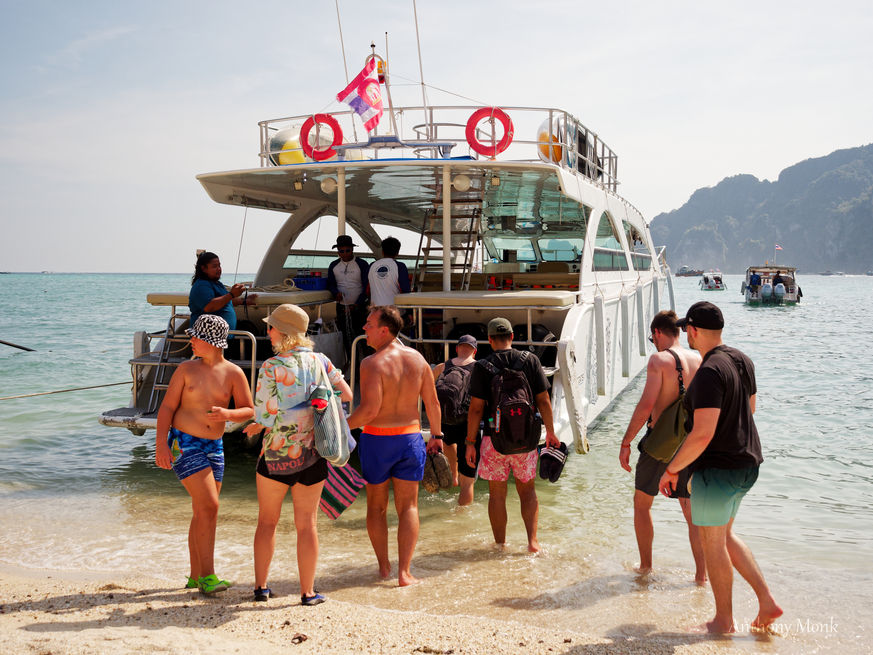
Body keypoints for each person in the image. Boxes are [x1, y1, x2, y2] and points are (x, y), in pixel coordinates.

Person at [659, 302, 782, 634]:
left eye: (687, 330)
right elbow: (750, 408)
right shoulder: (743, 360)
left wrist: (672, 470)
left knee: (712, 542)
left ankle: (724, 620)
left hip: (719, 469)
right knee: (724, 536)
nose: (686, 334)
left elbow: (702, 434)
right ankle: (767, 602)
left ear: (695, 331)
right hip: (748, 463)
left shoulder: (710, 372)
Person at [242, 304, 352, 605]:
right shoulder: (321, 361)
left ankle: (261, 589)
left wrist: (254, 426)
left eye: (271, 327)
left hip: (277, 455)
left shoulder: (271, 366)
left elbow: (265, 416)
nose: (268, 331)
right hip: (313, 455)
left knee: (267, 522)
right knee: (307, 525)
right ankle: (307, 593)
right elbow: (347, 395)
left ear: (284, 332)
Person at [155, 314, 254, 594]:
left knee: (202, 510)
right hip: (184, 442)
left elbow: (248, 409)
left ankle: (196, 576)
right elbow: (166, 409)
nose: (191, 341)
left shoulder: (234, 373)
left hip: (215, 445)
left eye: (195, 336)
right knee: (210, 506)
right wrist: (161, 444)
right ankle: (209, 577)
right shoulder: (186, 369)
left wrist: (228, 413)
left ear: (212, 341)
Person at [346, 305, 443, 586]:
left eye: (369, 324)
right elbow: (433, 404)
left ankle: (384, 567)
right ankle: (405, 572)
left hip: (378, 440)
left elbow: (369, 411)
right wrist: (436, 436)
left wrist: (340, 427)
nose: (364, 328)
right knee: (409, 507)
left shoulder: (372, 363)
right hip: (410, 439)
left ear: (384, 330)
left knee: (376, 508)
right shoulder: (419, 361)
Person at [619, 310, 706, 584]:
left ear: (657, 333)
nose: (653, 342)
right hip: (691, 445)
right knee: (691, 513)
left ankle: (646, 567)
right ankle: (701, 577)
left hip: (660, 445)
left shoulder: (660, 360)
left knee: (642, 504)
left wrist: (626, 441)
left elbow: (646, 406)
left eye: (651, 337)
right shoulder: (699, 358)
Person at [465, 317, 560, 553]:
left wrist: (469, 443)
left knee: (497, 495)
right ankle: (532, 543)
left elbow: (476, 408)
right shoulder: (530, 360)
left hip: (493, 439)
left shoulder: (482, 366)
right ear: (512, 337)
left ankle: (500, 545)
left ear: (489, 340)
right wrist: (550, 432)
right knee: (527, 491)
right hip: (526, 439)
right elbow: (543, 401)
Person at [431, 334, 480, 506]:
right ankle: (462, 519)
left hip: (443, 422)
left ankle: (453, 476)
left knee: (449, 443)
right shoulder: (479, 368)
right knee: (468, 483)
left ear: (457, 348)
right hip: (467, 424)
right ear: (474, 351)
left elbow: (427, 394)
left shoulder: (441, 367)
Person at [326, 235, 370, 366]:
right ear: (338, 251)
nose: (344, 254)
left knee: (363, 337)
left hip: (359, 307)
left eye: (347, 250)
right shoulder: (333, 265)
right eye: (341, 251)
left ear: (352, 250)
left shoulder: (362, 264)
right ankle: (352, 365)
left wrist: (357, 304)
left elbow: (366, 286)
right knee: (346, 337)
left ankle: (366, 365)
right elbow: (331, 284)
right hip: (341, 307)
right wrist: (335, 293)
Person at [188, 251, 257, 332]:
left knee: (249, 327)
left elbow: (224, 302)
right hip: (209, 337)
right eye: (214, 266)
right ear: (204, 269)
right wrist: (231, 294)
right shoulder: (201, 286)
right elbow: (209, 306)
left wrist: (244, 301)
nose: (219, 269)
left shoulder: (216, 284)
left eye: (219, 265)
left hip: (222, 335)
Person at [368, 237, 411, 307]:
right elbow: (406, 290)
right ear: (397, 253)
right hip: (394, 312)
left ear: (382, 251)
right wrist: (410, 312)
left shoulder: (372, 266)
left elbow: (367, 289)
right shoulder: (400, 266)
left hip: (375, 311)